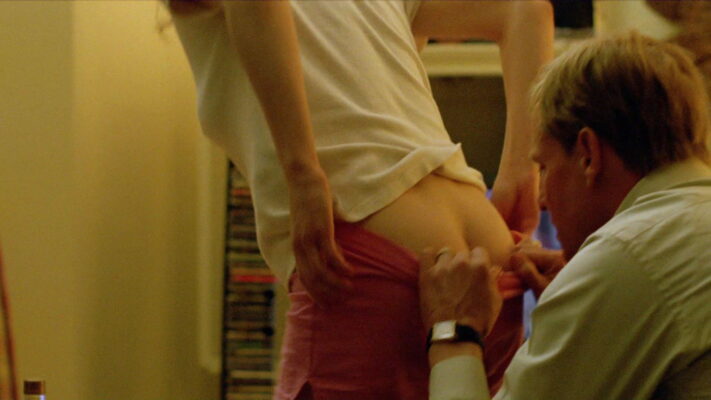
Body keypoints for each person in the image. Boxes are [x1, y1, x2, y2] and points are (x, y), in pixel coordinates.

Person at [166, 1, 553, 398]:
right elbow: (526, 10)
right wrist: (524, 169)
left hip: (376, 267)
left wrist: (303, 175)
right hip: (492, 268)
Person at [421, 31, 711, 399]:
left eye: (544, 167)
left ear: (588, 153)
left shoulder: (633, 252)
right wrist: (586, 303)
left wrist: (454, 330)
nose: (542, 200)